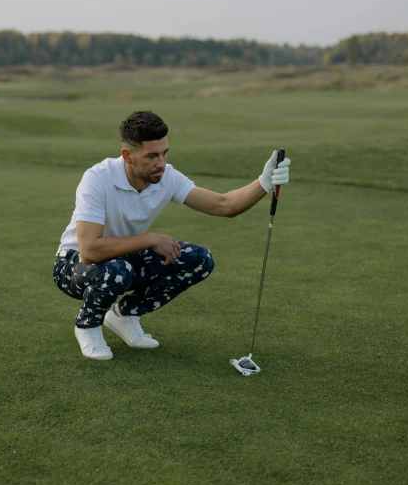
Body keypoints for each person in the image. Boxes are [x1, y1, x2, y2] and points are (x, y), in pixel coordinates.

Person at [53, 111, 290, 360]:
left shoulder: (167, 177)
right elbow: (89, 250)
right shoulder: (98, 178)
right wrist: (151, 239)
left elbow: (224, 205)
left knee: (198, 259)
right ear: (127, 156)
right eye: (152, 156)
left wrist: (263, 183)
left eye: (165, 153)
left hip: (122, 260)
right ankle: (88, 325)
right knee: (117, 269)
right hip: (73, 265)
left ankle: (124, 315)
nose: (161, 163)